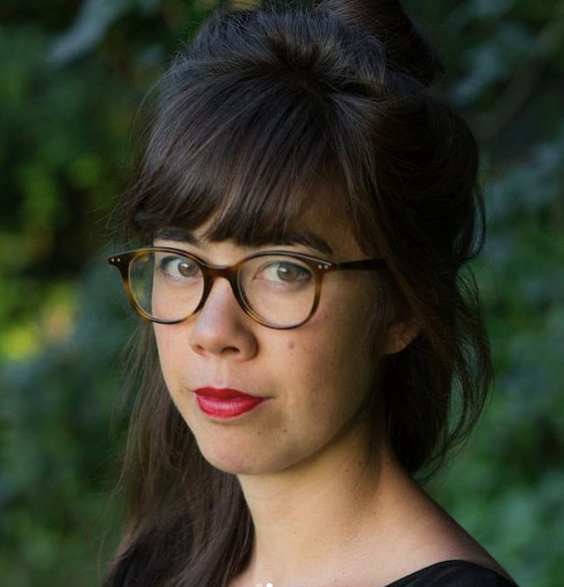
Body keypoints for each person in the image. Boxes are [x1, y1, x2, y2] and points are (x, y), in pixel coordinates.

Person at [102, 1, 520, 586]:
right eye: (180, 263)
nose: (214, 332)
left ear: (403, 306)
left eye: (283, 270)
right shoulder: (156, 567)